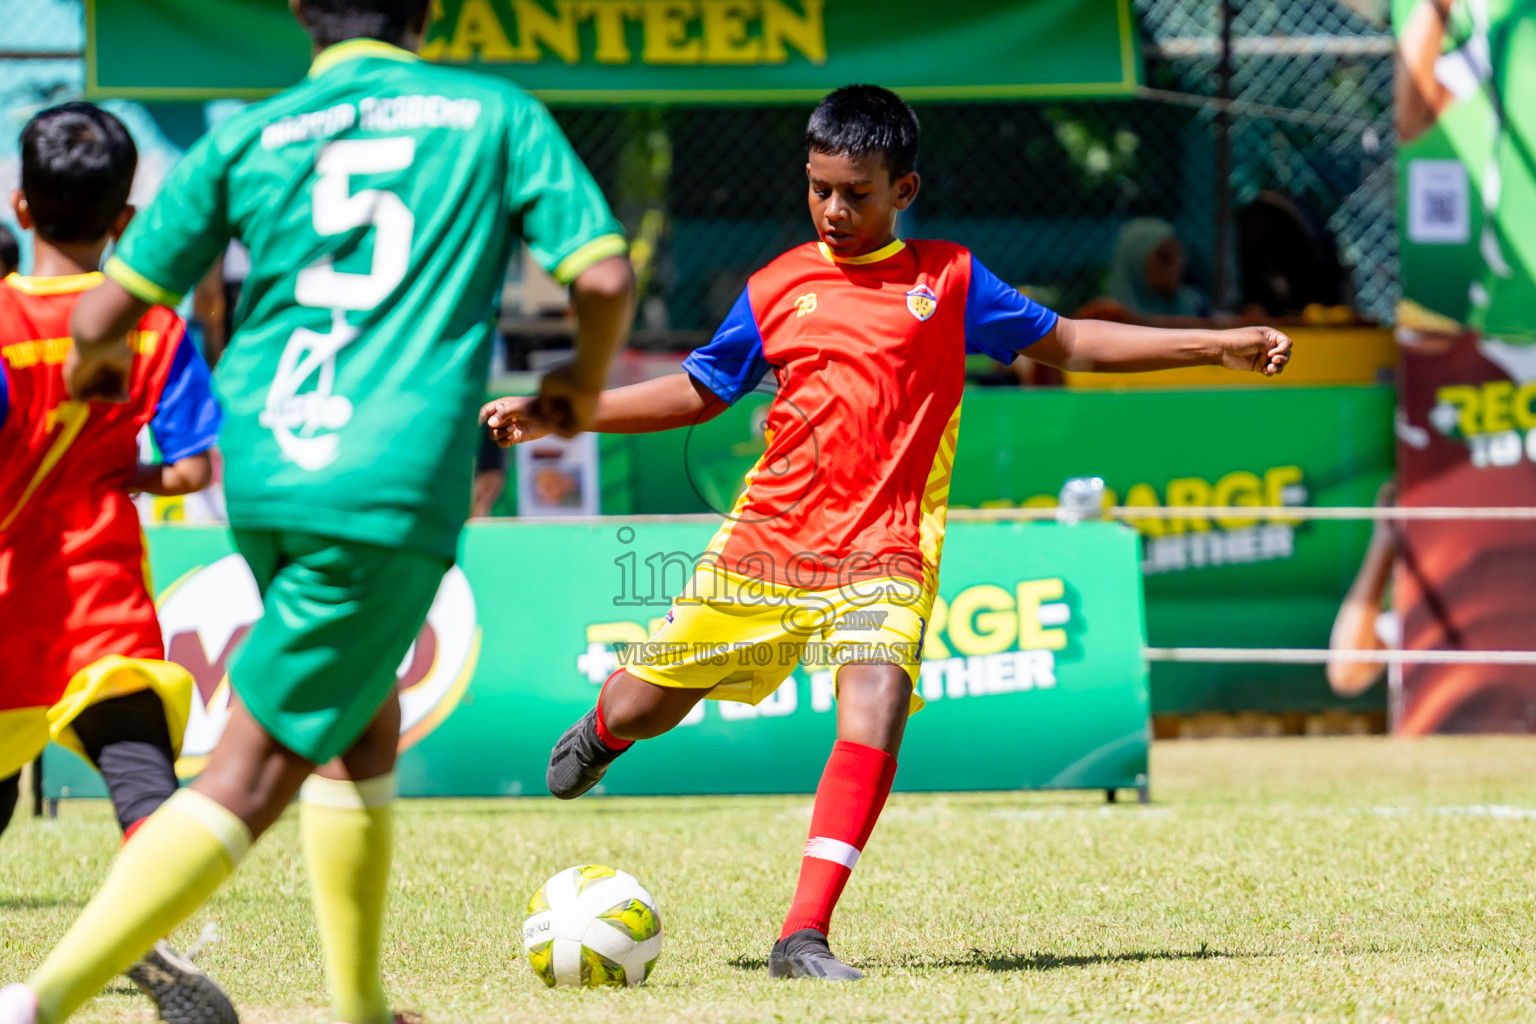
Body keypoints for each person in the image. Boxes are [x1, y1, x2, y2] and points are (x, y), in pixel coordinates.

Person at [483, 85, 1291, 981]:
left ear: (903, 189)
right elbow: (697, 390)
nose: (834, 208)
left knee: (875, 702)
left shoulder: (948, 280)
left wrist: (1214, 345)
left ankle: (803, 935)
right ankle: (606, 726)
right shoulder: (777, 286)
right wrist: (565, 410)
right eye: (819, 187)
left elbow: (1073, 342)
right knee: (647, 705)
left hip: (887, 551)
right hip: (766, 545)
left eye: (856, 192)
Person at [0, 1, 635, 1022]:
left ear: (301, 9)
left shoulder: (252, 132)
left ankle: (361, 1006)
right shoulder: (493, 114)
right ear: (428, 8)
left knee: (362, 720)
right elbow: (602, 275)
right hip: (383, 474)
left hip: (267, 468)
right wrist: (579, 384)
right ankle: (42, 999)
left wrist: (94, 365)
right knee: (253, 772)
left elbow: (106, 310)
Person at [0, 103, 231, 1023]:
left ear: (20, 204)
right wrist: (128, 470)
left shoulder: (3, 321)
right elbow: (193, 465)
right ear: (124, 221)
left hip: (8, 597)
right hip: (99, 598)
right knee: (142, 785)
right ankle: (141, 927)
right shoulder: (156, 330)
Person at [1101, 216, 1210, 321]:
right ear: (1135, 264)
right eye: (1164, 258)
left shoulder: (1195, 306)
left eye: (1178, 254)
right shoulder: (1106, 318)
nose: (1174, 268)